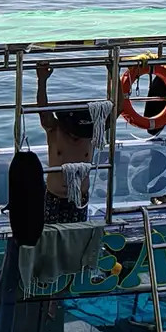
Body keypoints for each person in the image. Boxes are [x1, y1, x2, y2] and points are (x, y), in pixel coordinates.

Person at [35, 63, 95, 223]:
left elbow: (117, 108)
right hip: (55, 196)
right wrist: (42, 81)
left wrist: (113, 74)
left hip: (80, 197)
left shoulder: (90, 133)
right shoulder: (54, 129)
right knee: (51, 238)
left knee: (76, 238)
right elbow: (42, 110)